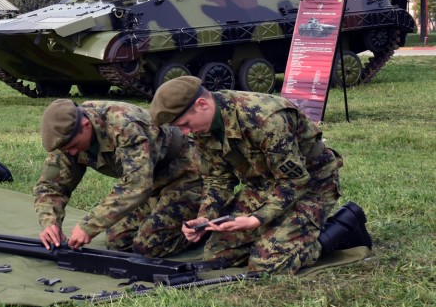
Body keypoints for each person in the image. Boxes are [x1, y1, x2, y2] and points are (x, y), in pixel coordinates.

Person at [149, 76, 370, 274]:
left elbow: (293, 181)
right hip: (264, 186)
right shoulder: (205, 126)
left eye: (186, 124)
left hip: (311, 186)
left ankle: (345, 227)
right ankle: (280, 232)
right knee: (218, 256)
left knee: (266, 264)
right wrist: (205, 217)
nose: (186, 132)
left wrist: (256, 219)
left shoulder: (265, 118)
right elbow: (217, 178)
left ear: (202, 104)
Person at [34, 98, 202, 257]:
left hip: (184, 174)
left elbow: (137, 186)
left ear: (86, 125)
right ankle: (164, 209)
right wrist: (50, 222)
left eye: (73, 147)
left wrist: (89, 225)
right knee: (118, 241)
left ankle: (206, 223)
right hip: (151, 179)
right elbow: (50, 186)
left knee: (148, 245)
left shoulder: (124, 125)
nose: (71, 153)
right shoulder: (67, 137)